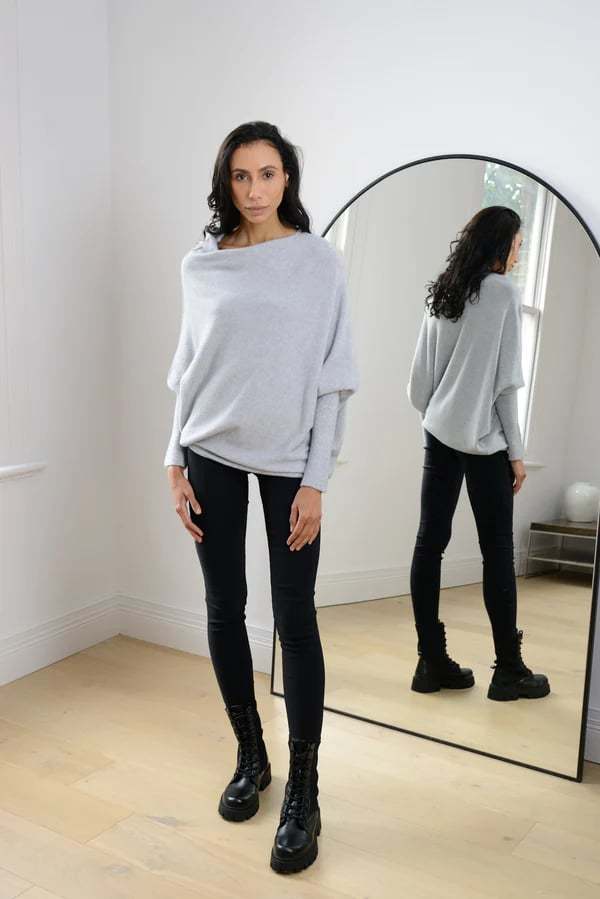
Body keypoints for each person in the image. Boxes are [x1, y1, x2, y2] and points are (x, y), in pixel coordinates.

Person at [163, 121, 359, 874]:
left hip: (288, 461)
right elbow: (188, 368)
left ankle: (304, 791)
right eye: (241, 176)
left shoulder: (318, 262)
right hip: (207, 448)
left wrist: (316, 479)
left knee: (294, 618)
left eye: (267, 174)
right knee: (223, 607)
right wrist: (172, 459)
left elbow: (333, 379)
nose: (254, 190)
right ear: (226, 181)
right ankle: (252, 756)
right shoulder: (202, 264)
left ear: (287, 179)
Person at [406, 205, 550, 702]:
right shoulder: (503, 293)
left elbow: (418, 385)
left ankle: (430, 662)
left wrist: (442, 415)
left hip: (438, 436)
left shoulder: (443, 291)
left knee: (429, 545)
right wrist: (516, 453)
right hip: (487, 443)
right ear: (500, 243)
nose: (519, 254)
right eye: (518, 245)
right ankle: (508, 670)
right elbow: (505, 385)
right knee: (497, 552)